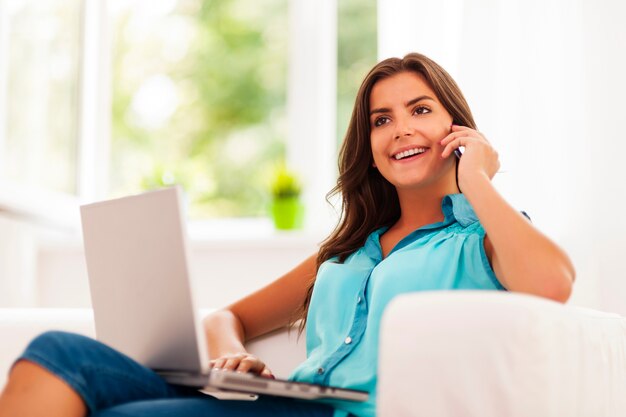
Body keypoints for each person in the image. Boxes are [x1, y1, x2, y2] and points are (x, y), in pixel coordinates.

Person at [0, 52, 575, 417]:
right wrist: (232, 360)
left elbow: (553, 283)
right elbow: (226, 318)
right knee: (57, 354)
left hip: (347, 414)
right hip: (278, 404)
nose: (400, 129)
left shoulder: (479, 239)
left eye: (420, 110)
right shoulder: (351, 251)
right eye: (381, 120)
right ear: (370, 152)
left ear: (457, 127)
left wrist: (474, 178)